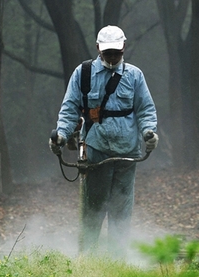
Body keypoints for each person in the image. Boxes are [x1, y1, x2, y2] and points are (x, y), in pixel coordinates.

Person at [49, 25, 159, 255]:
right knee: (93, 208)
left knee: (121, 210)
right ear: (98, 48)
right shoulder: (84, 73)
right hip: (95, 150)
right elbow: (70, 108)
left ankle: (117, 261)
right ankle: (87, 259)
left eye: (116, 52)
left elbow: (145, 109)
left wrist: (149, 133)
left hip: (126, 153)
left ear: (124, 48)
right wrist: (61, 135)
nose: (111, 56)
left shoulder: (134, 76)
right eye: (107, 52)